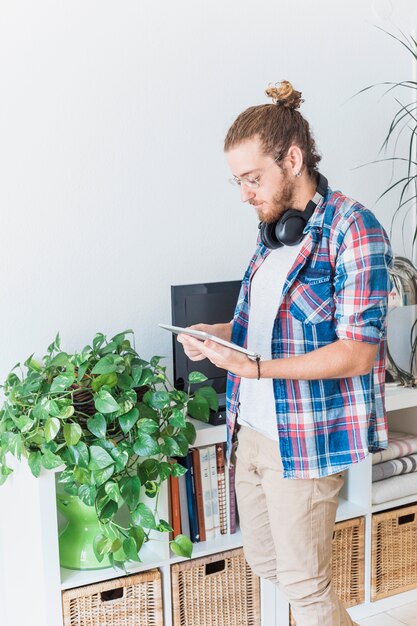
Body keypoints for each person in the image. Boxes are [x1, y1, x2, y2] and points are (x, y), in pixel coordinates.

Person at [178, 80, 392, 626]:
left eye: (253, 178)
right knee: (265, 560)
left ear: (292, 159)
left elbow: (357, 353)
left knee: (304, 584)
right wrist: (219, 333)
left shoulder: (354, 229)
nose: (246, 193)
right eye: (239, 181)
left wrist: (253, 368)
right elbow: (266, 324)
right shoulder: (273, 233)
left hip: (304, 440)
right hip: (250, 429)